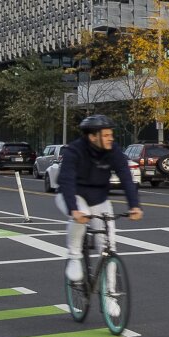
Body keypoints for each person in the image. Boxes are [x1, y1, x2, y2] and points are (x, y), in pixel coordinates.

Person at [56, 114, 142, 282]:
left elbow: (125, 177)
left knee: (109, 246)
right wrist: (74, 210)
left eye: (111, 134)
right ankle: (74, 257)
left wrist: (134, 206)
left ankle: (110, 295)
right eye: (106, 135)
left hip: (99, 199)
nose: (111, 138)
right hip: (73, 195)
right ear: (93, 136)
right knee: (81, 214)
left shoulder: (113, 151)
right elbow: (67, 182)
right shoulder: (74, 151)